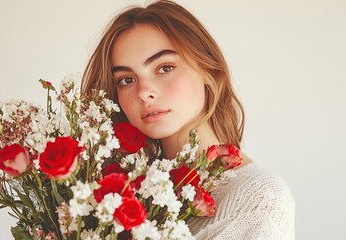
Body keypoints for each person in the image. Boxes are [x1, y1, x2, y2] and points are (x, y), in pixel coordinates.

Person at [81, 0, 295, 239]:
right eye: (126, 80)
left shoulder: (258, 199)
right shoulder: (117, 196)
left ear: (208, 69)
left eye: (165, 68)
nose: (143, 92)